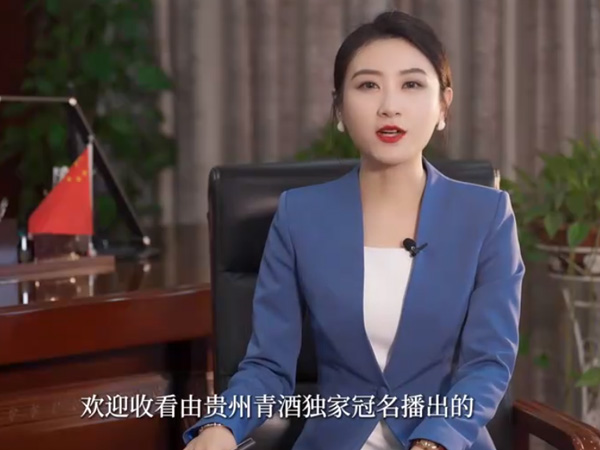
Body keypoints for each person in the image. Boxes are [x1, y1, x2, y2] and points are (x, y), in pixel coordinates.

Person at [183, 10, 524, 450]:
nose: (389, 106)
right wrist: (221, 426)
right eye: (367, 86)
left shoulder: (487, 215)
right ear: (340, 109)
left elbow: (488, 364)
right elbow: (268, 366)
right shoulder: (299, 216)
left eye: (411, 84)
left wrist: (435, 441)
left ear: (443, 105)